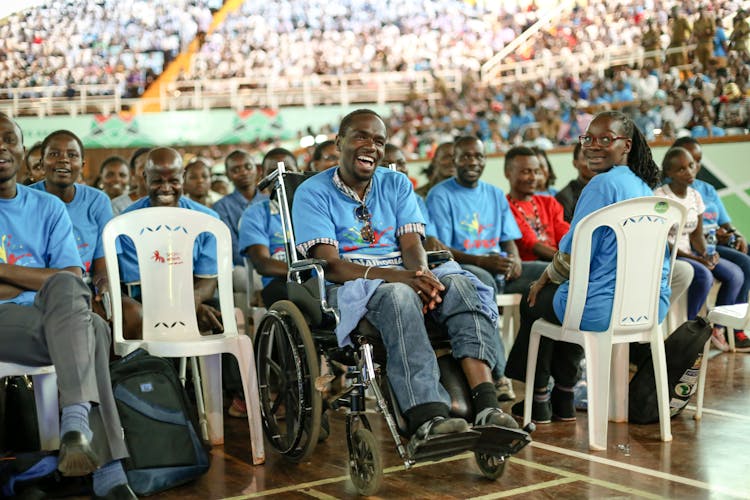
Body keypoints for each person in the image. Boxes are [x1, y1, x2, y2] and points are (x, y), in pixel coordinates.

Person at [293, 109, 517, 449]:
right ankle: (425, 414)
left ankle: (487, 404)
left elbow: (412, 244)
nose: (371, 146)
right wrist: (401, 278)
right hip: (350, 284)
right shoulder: (313, 192)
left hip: (402, 271)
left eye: (379, 140)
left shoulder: (396, 183)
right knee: (399, 295)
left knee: (459, 283)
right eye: (361, 136)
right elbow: (332, 265)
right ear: (339, 142)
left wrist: (421, 275)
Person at [504, 111, 673, 424]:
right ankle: (565, 396)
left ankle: (541, 400)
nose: (593, 146)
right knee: (567, 296)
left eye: (605, 139)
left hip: (599, 309)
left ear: (626, 144)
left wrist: (542, 280)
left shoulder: (600, 185)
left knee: (537, 302)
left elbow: (572, 257)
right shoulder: (646, 188)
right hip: (649, 308)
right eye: (588, 139)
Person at [0, 113, 136, 499]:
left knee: (79, 309)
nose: (1, 147)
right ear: (41, 162)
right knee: (91, 329)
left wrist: (6, 275)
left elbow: (71, 277)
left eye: (9, 138)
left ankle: (77, 427)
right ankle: (108, 470)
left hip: (49, 318)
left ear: (24, 152)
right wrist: (40, 279)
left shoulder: (47, 207)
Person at [29, 130, 141, 339]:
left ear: (82, 164)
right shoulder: (28, 200)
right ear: (42, 163)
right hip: (43, 289)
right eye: (54, 154)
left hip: (87, 286)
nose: (63, 159)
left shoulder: (97, 201)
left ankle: (118, 371)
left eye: (72, 155)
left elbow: (102, 265)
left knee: (132, 314)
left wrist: (103, 286)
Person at [426, 136, 548, 298]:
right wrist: (482, 262)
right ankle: (493, 322)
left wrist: (515, 259)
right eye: (466, 156)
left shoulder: (495, 193)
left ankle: (528, 321)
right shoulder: (439, 195)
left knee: (548, 272)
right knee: (483, 279)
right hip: (464, 267)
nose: (473, 162)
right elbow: (442, 250)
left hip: (499, 268)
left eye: (478, 156)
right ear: (454, 160)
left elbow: (507, 239)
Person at [655, 147, 744, 351]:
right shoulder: (661, 197)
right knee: (704, 276)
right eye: (681, 169)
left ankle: (717, 329)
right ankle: (689, 331)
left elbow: (696, 234)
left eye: (691, 166)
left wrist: (706, 254)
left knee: (735, 274)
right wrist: (697, 260)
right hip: (671, 254)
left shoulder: (695, 195)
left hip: (692, 253)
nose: (689, 172)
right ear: (669, 173)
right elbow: (662, 239)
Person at [504, 146, 569, 262]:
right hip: (529, 265)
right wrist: (567, 262)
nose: (533, 178)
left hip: (556, 261)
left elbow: (566, 236)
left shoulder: (549, 203)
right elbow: (530, 243)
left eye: (536, 172)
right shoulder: (504, 206)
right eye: (526, 172)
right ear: (508, 173)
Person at [212, 149, 267, 268]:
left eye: (248, 167)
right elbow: (230, 246)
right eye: (236, 170)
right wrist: (257, 264)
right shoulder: (221, 206)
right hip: (243, 266)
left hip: (275, 261)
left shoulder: (269, 201)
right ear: (228, 175)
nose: (243, 172)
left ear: (257, 170)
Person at [555, 142, 595, 222]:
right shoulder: (565, 197)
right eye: (586, 158)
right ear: (575, 164)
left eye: (595, 157)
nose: (592, 162)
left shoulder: (608, 189)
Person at [111, 147, 149, 216]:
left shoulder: (168, 202)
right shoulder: (117, 206)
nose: (149, 172)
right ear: (133, 172)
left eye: (154, 167)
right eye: (143, 167)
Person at [693, 5, 716, 71]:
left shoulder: (709, 20)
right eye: (700, 10)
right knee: (701, 62)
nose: (701, 12)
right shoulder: (696, 22)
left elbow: (713, 31)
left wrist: (708, 32)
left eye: (703, 10)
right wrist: (701, 33)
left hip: (708, 43)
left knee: (709, 61)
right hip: (700, 44)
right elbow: (695, 33)